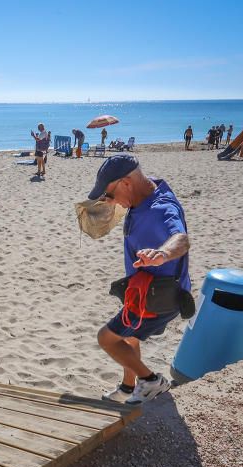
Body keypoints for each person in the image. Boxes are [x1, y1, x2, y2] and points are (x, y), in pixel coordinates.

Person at [87, 154, 191, 405]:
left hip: (158, 297)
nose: (110, 202)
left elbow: (181, 239)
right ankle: (127, 387)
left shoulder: (161, 209)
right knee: (131, 337)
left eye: (109, 195)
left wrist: (162, 253)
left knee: (108, 338)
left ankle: (151, 381)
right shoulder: (147, 190)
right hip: (142, 290)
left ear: (125, 183)